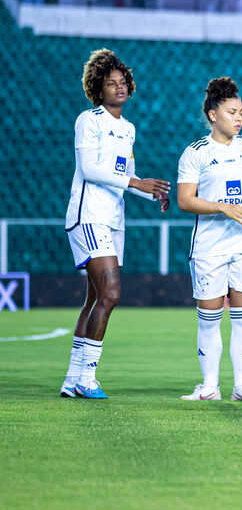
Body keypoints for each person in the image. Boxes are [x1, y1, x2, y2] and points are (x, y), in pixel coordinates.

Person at [60, 49, 170, 399]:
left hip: (113, 220)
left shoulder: (128, 129)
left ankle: (72, 380)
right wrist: (136, 184)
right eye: (111, 83)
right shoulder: (88, 120)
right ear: (98, 88)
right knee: (111, 293)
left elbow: (124, 175)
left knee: (94, 297)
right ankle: (88, 378)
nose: (119, 88)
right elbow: (91, 169)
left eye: (123, 82)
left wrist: (149, 193)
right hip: (88, 215)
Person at [178, 77, 242, 403]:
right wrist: (223, 207)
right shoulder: (196, 153)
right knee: (209, 315)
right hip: (210, 245)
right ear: (212, 114)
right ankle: (209, 386)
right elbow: (185, 199)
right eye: (232, 112)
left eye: (241, 112)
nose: (238, 118)